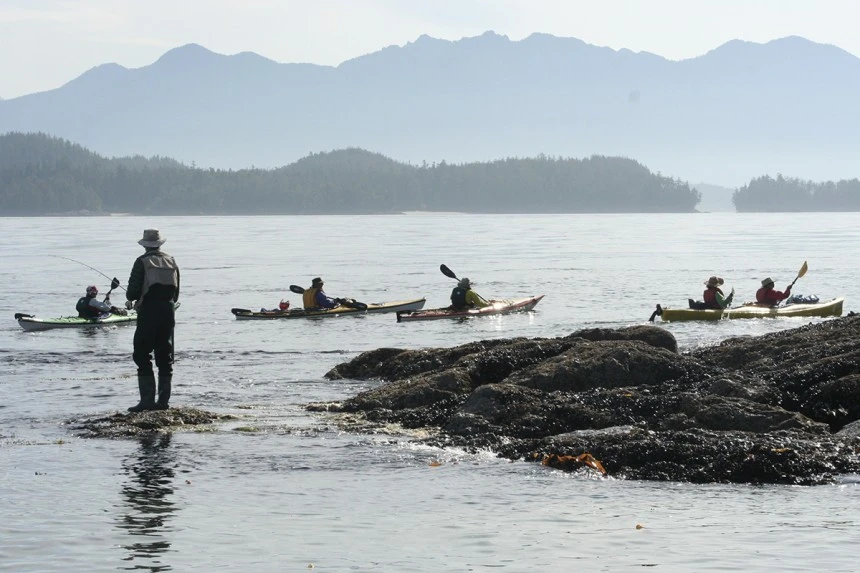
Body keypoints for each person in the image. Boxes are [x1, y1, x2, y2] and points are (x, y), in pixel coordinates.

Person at [126, 229, 180, 412]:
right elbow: (176, 293)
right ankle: (163, 402)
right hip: (168, 311)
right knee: (165, 356)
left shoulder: (141, 262)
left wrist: (132, 298)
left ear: (144, 245)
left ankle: (147, 401)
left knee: (142, 354)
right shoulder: (171, 260)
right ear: (159, 244)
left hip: (148, 311)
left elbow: (132, 292)